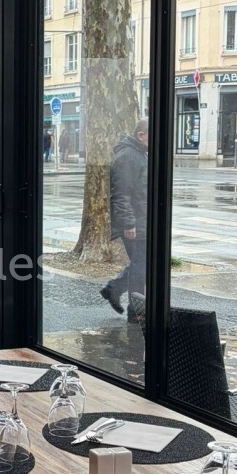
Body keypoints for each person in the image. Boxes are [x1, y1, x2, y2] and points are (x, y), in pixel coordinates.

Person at [100, 118, 148, 322]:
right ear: (141, 135)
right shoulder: (128, 156)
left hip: (141, 219)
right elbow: (121, 194)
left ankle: (114, 288)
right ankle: (136, 313)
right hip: (135, 222)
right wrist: (129, 223)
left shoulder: (137, 154)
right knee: (140, 267)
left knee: (142, 264)